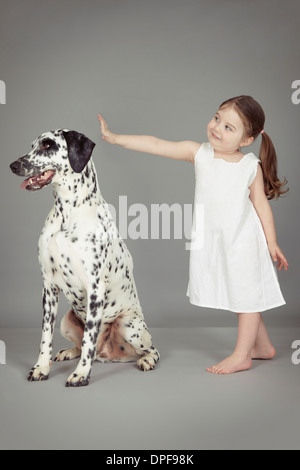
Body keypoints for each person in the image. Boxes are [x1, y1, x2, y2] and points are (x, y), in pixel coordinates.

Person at [97, 95, 289, 375]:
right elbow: (156, 144)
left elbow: (261, 205)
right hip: (215, 242)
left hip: (243, 242)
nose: (217, 128)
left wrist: (271, 242)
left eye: (228, 128)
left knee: (246, 298)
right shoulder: (199, 153)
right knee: (241, 297)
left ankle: (241, 355)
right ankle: (262, 347)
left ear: (246, 140)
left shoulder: (249, 166)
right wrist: (115, 138)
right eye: (217, 118)